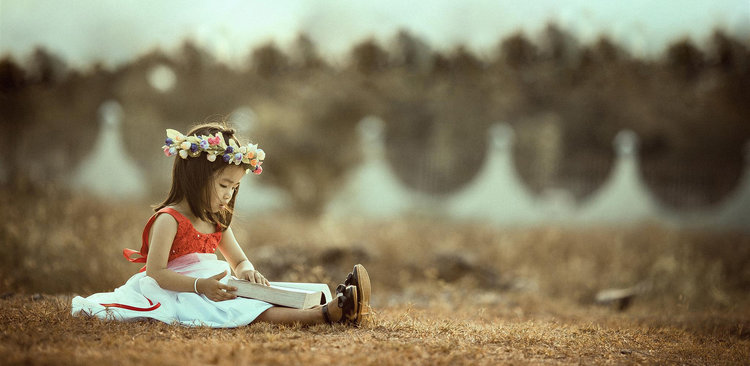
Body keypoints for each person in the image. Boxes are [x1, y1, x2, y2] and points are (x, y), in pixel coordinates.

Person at [71, 123, 371, 327]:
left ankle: (338, 300)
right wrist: (200, 286)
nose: (229, 194)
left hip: (217, 286)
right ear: (196, 177)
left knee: (264, 294)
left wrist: (246, 271)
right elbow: (156, 272)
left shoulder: (217, 222)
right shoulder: (169, 219)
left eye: (234, 188)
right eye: (224, 184)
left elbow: (237, 259)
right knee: (243, 309)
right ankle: (326, 315)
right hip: (180, 291)